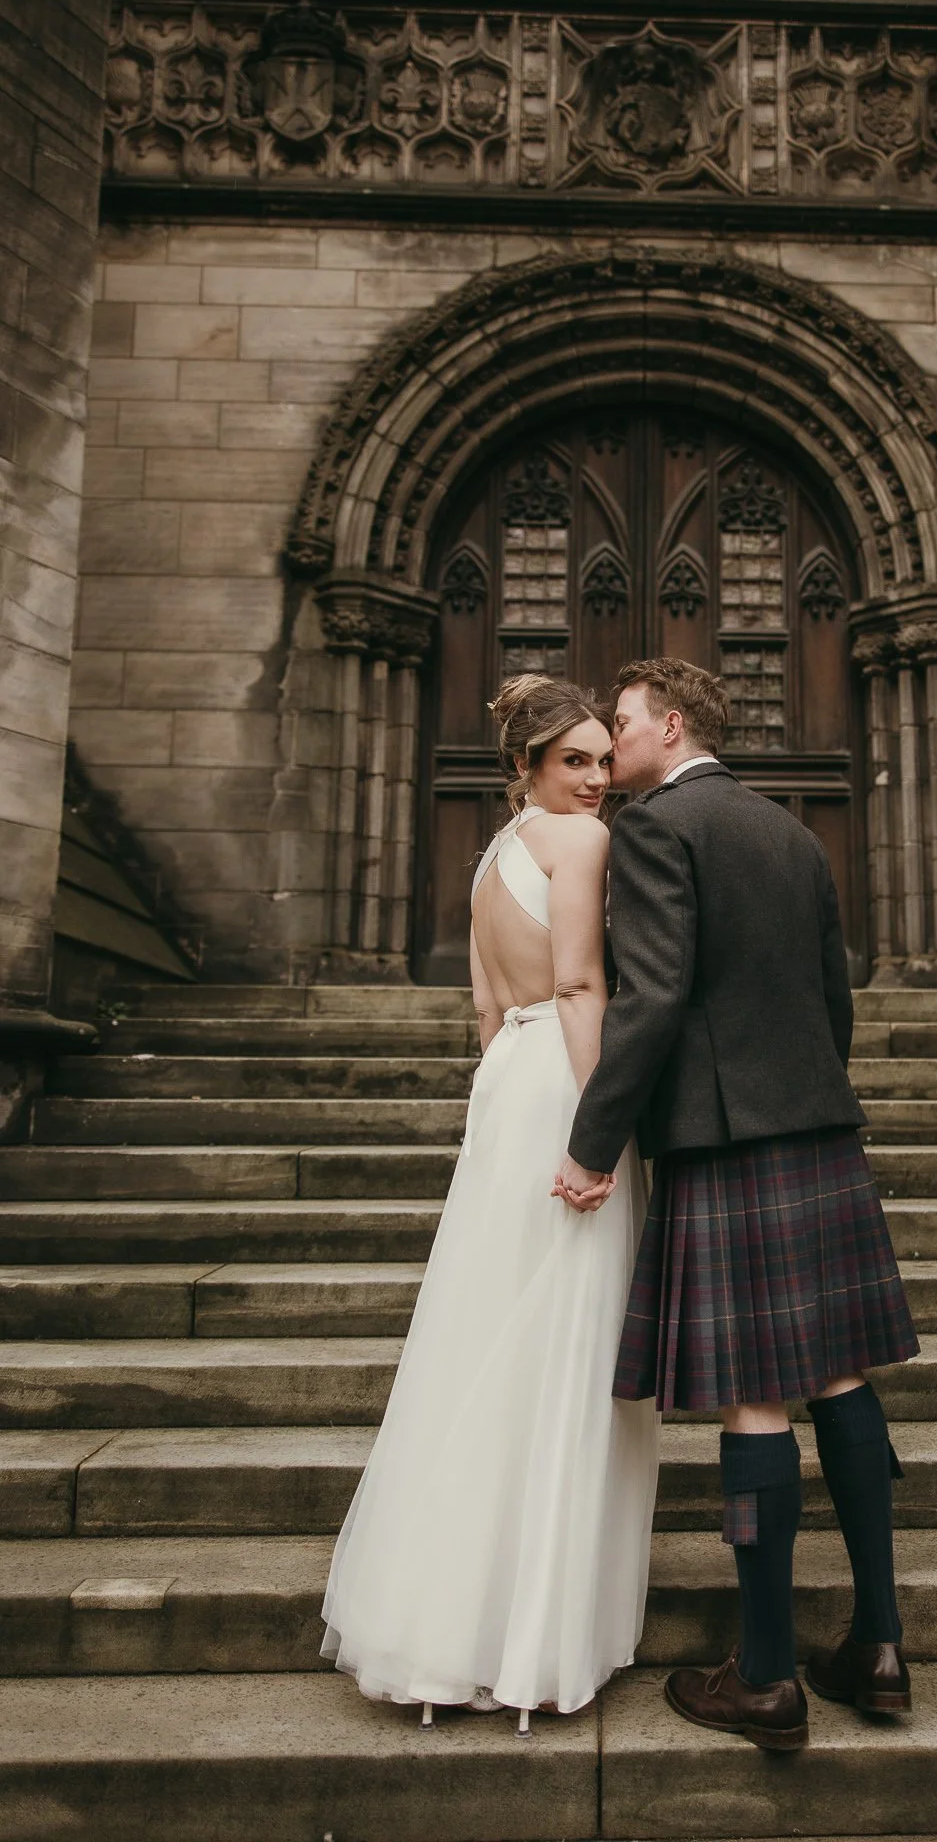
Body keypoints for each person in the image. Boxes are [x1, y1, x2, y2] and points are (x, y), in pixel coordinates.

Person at [559, 657, 919, 1753]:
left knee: (755, 1397)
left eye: (622, 724)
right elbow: (833, 997)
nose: (610, 743)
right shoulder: (791, 833)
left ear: (671, 726)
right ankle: (879, 1645)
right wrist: (806, 1093)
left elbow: (653, 996)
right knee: (840, 1375)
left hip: (725, 1138)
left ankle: (765, 1676)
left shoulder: (656, 829)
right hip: (814, 1125)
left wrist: (592, 1139)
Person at [322, 676, 659, 1727]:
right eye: (574, 761)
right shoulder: (582, 843)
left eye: (602, 758)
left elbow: (483, 1002)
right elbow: (581, 986)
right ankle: (537, 1633)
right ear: (527, 765)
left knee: (486, 1331)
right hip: (565, 1079)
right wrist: (597, 1129)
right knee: (567, 1345)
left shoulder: (492, 852)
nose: (597, 779)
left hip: (506, 1080)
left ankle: (446, 1611)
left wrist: (506, 1098)